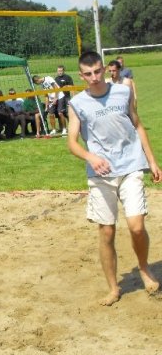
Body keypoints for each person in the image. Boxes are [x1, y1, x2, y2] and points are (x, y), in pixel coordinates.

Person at [67, 50, 160, 306]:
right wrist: (90, 157)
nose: (94, 77)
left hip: (131, 166)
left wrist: (151, 160)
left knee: (136, 227)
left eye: (98, 71)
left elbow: (138, 124)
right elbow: (72, 142)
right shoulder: (77, 103)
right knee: (106, 231)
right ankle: (113, 288)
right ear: (81, 75)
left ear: (105, 69)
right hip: (101, 174)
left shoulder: (123, 91)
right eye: (88, 74)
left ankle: (143, 268)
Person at [55, 65, 74, 136]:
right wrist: (55, 98)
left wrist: (72, 97)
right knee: (60, 113)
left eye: (61, 71)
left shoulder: (67, 77)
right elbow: (55, 90)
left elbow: (72, 87)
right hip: (60, 98)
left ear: (63, 71)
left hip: (67, 97)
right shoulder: (56, 79)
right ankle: (63, 128)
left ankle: (72, 128)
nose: (59, 72)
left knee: (68, 113)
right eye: (58, 71)